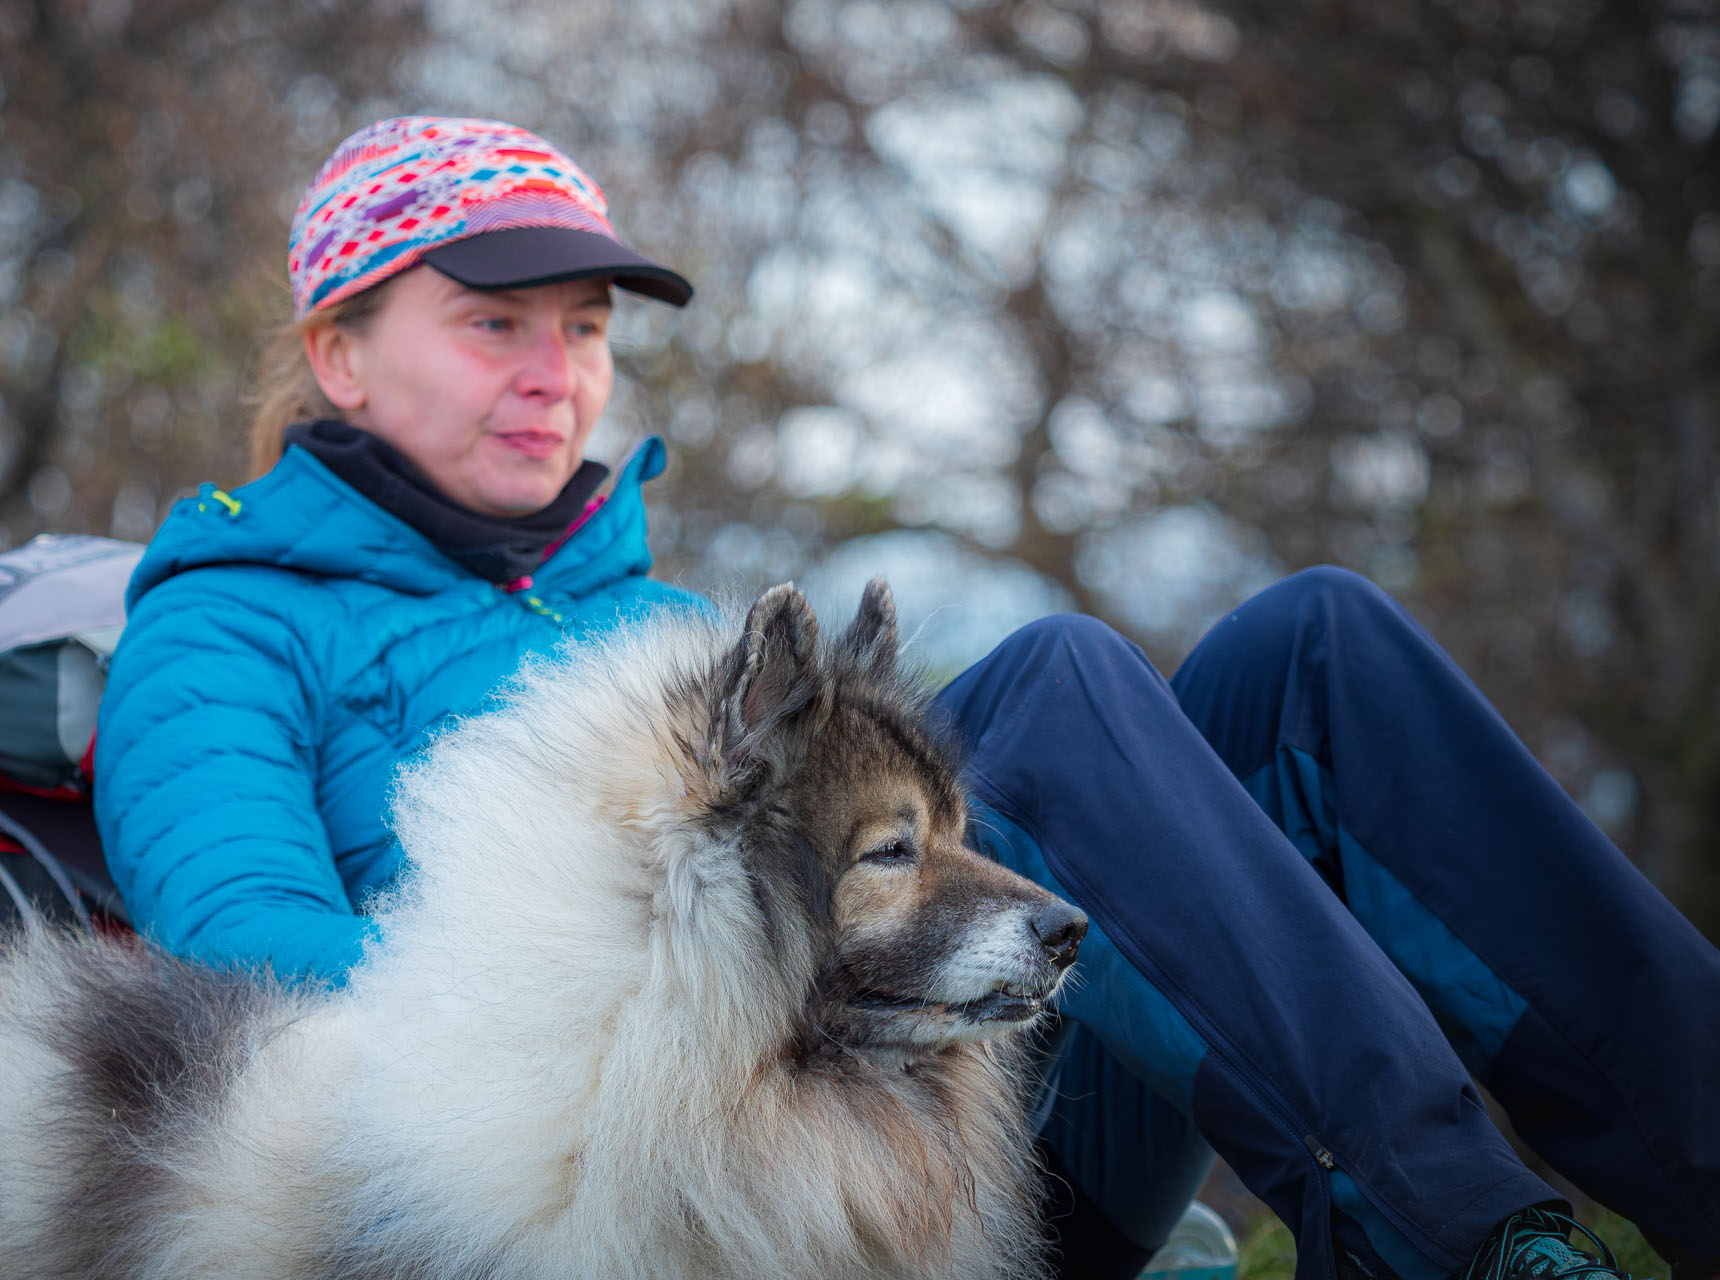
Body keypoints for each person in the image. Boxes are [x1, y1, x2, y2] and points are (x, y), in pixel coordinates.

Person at [93, 116, 1720, 1280]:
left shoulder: (662, 624)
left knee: (1315, 653)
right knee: (1055, 686)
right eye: (492, 322)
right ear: (342, 354)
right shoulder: (229, 628)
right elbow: (255, 960)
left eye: (584, 329)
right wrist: (656, 1002)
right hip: (643, 1208)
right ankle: (1467, 1240)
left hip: (924, 1151)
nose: (557, 372)